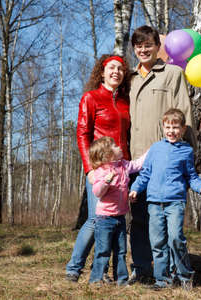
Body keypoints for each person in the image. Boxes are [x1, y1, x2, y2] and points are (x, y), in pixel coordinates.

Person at [128, 25, 196, 283]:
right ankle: (143, 269)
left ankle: (178, 273)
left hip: (166, 164)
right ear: (134, 49)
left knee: (170, 226)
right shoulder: (130, 78)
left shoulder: (173, 73)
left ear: (158, 47)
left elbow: (185, 116)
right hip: (136, 163)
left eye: (148, 45)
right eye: (139, 46)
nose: (143, 50)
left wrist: (188, 158)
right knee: (140, 220)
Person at [66, 54, 131, 282]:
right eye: (112, 68)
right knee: (96, 220)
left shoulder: (125, 101)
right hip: (100, 170)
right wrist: (90, 169)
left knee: (116, 222)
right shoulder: (91, 98)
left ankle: (101, 271)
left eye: (121, 69)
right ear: (102, 72)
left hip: (121, 169)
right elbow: (82, 134)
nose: (116, 72)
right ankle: (73, 269)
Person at [129, 108, 201, 291]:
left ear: (182, 129)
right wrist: (135, 189)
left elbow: (191, 176)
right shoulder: (155, 149)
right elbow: (145, 174)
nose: (171, 131)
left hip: (175, 202)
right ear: (163, 128)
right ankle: (162, 280)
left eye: (175, 127)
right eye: (168, 127)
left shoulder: (186, 151)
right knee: (157, 243)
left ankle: (185, 276)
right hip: (154, 203)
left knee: (175, 238)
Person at [87, 136, 146, 285]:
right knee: (103, 251)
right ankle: (96, 280)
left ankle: (121, 280)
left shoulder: (124, 165)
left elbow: (137, 165)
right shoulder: (101, 171)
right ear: (107, 155)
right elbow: (97, 192)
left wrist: (151, 151)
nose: (119, 146)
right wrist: (106, 181)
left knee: (121, 251)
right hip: (104, 219)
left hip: (120, 217)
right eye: (114, 146)